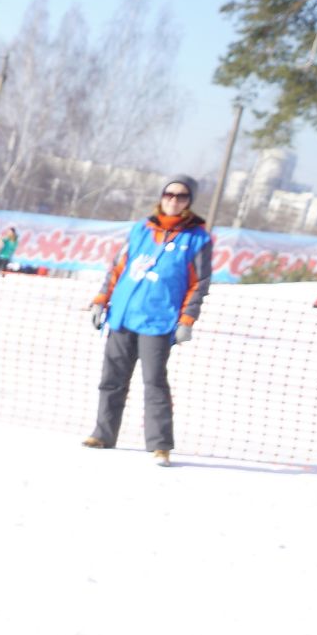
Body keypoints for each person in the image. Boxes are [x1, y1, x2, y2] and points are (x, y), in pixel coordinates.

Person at [82, 174, 211, 467]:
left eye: (181, 196)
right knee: (111, 380)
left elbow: (199, 283)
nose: (174, 200)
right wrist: (102, 300)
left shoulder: (198, 238)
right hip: (123, 316)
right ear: (161, 196)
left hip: (159, 320)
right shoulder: (142, 229)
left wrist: (187, 320)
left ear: (189, 201)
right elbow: (118, 268)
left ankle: (160, 445)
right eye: (169, 194)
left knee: (154, 382)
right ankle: (103, 434)